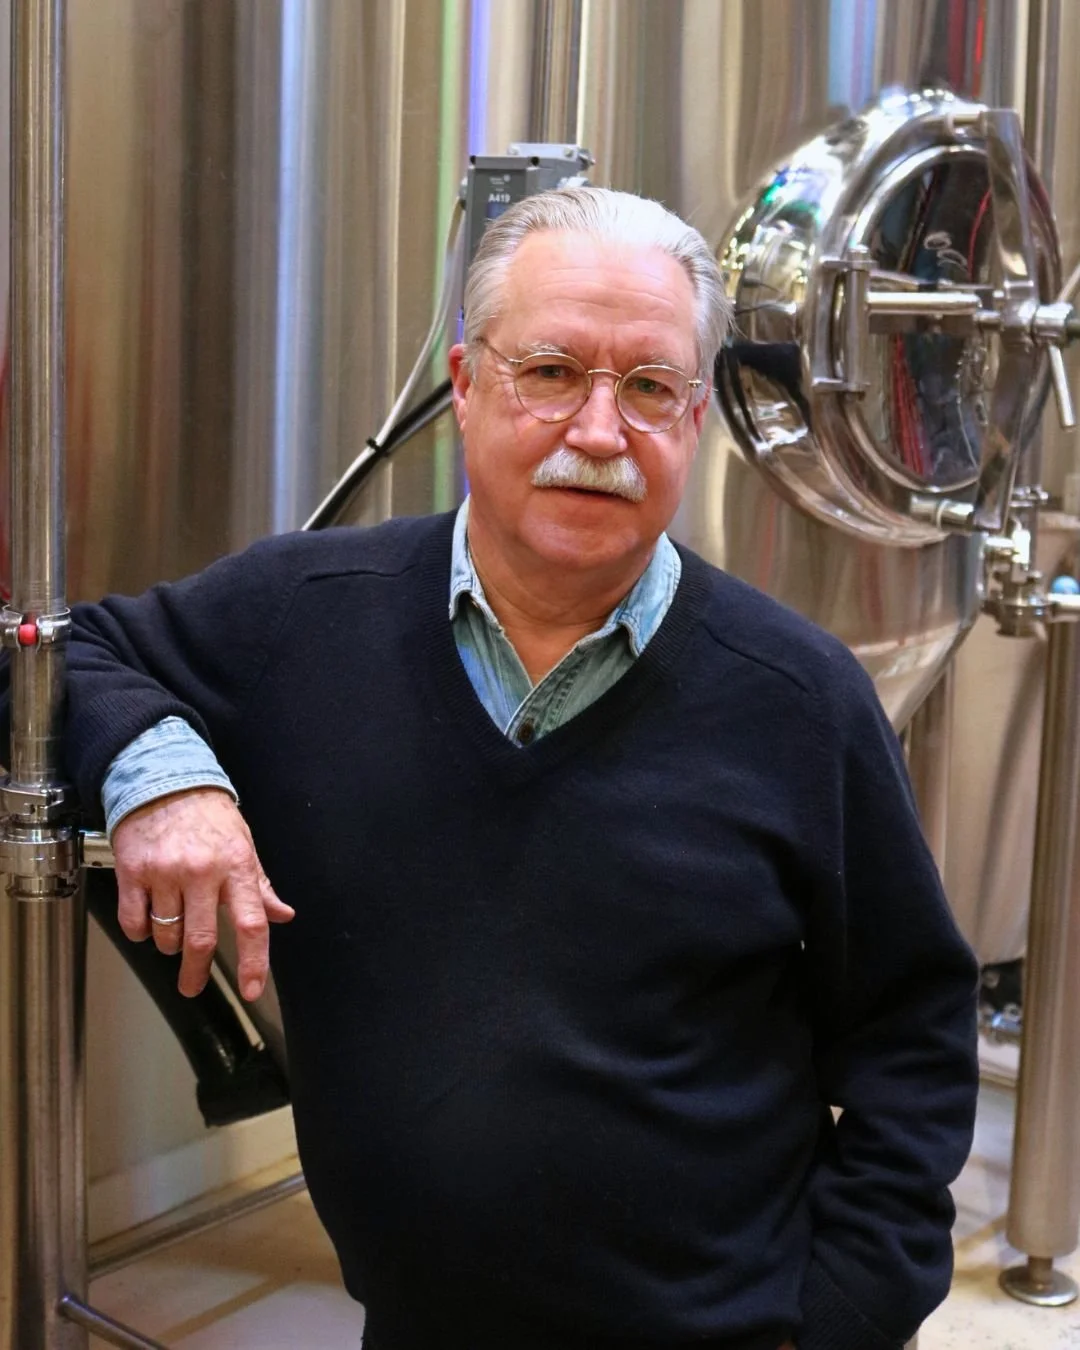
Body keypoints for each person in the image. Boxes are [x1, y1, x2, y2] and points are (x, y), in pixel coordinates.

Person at [30, 187, 978, 1350]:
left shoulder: (801, 701)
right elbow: (67, 652)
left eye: (647, 388)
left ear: (694, 421)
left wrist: (838, 1322)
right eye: (551, 372)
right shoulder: (305, 617)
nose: (598, 432)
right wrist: (168, 777)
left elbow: (912, 1040)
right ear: (469, 384)